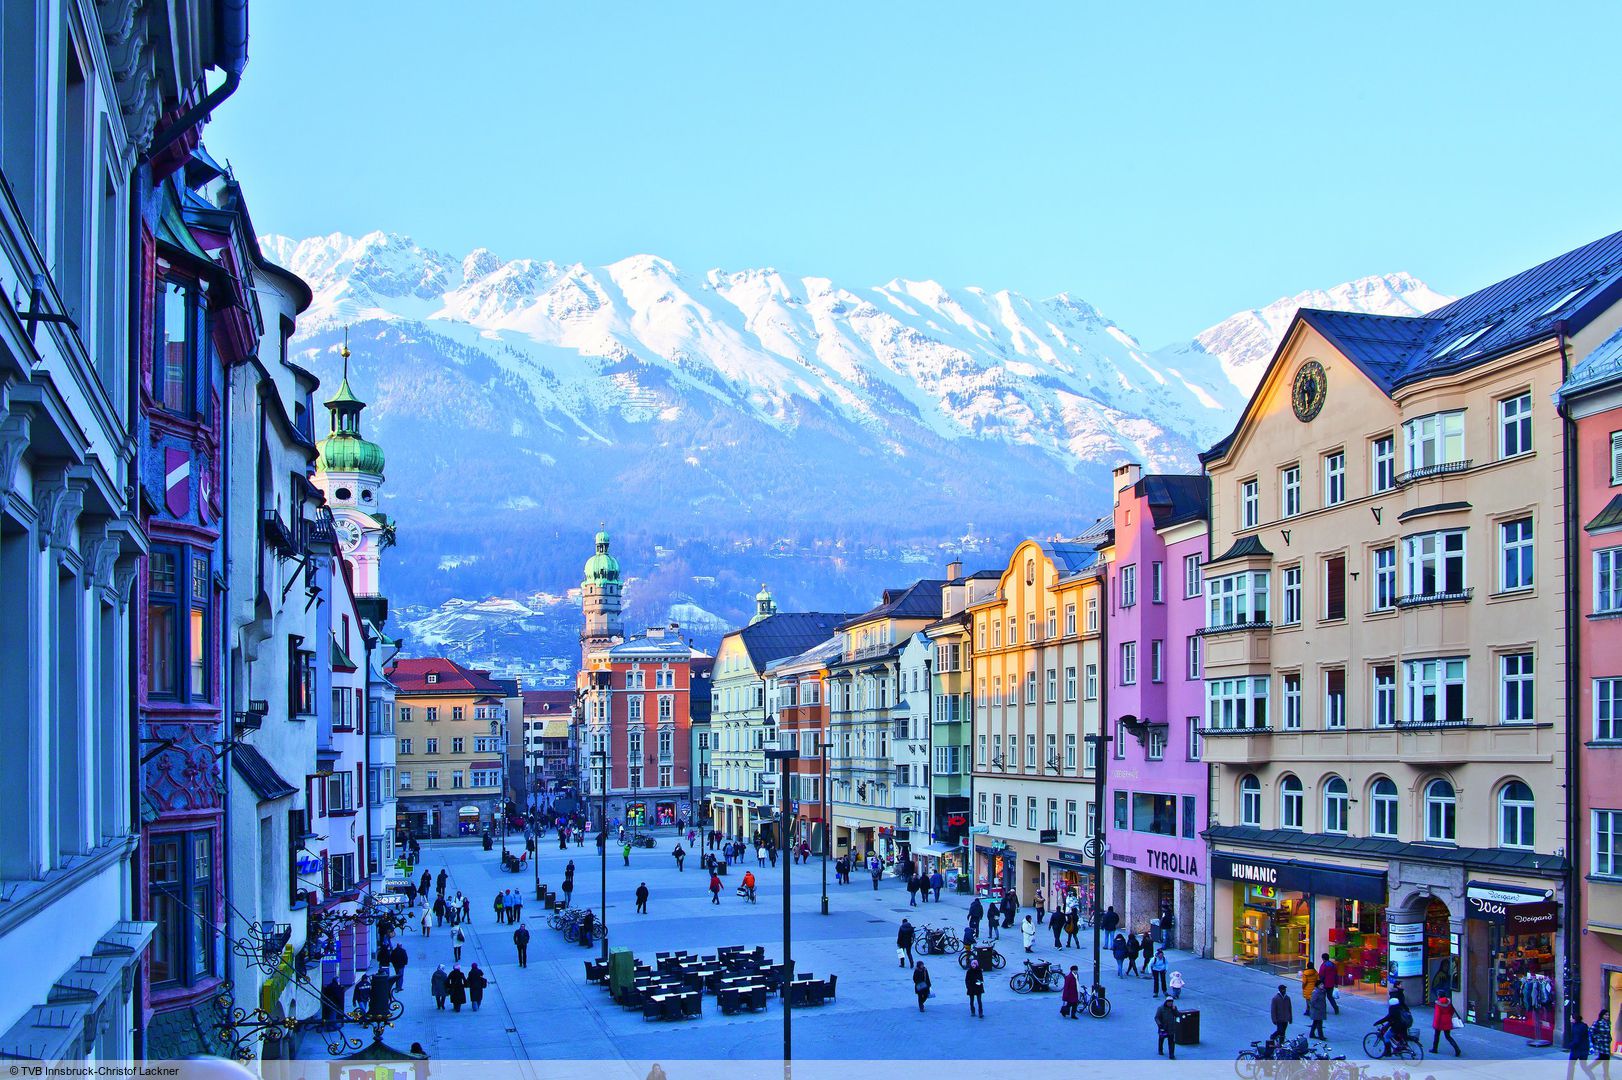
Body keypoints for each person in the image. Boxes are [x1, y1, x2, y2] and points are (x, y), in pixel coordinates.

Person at [1431, 992, 1461, 1057]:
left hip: (1440, 1022)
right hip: (1447, 1020)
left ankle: (1434, 1049)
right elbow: (1452, 1010)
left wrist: (1435, 1024)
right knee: (1448, 1036)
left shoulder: (1438, 1003)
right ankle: (1457, 1049)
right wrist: (1449, 1016)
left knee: (1436, 1036)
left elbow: (1437, 1015)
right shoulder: (1449, 1002)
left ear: (1439, 996)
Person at [1572, 1014, 1595, 1080]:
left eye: (1571, 1018)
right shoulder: (1584, 1025)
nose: (1570, 1019)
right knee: (1583, 1066)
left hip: (1577, 1050)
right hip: (1584, 1049)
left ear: (1574, 1019)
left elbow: (1577, 1040)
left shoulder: (1576, 1027)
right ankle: (1592, 1078)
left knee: (1571, 1066)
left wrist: (1571, 1045)